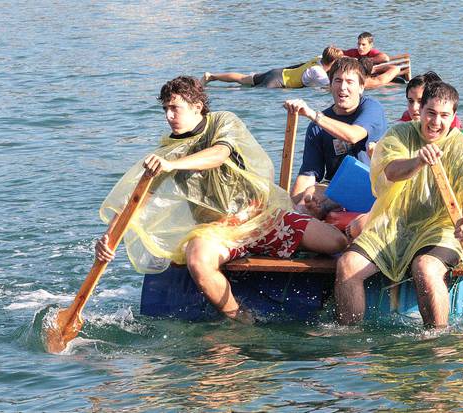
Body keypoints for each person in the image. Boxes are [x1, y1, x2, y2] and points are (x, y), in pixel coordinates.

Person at [95, 76, 347, 323]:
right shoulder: (167, 152)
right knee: (197, 259)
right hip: (218, 230)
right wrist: (109, 239)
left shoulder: (222, 122)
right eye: (165, 109)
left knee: (336, 242)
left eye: (175, 108)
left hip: (259, 216)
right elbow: (136, 200)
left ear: (197, 107)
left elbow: (218, 153)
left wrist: (172, 165)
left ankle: (306, 243)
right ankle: (240, 319)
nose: (169, 116)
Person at [334, 81, 463, 328]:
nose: (436, 122)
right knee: (347, 264)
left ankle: (437, 340)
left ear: (454, 117)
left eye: (444, 116)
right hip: (394, 224)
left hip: (441, 227)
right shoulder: (400, 135)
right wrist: (417, 161)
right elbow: (390, 171)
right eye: (431, 113)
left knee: (425, 266)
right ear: (421, 111)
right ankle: (350, 343)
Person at [282, 57, 387, 219]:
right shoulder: (317, 128)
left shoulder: (371, 108)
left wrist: (312, 114)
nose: (343, 87)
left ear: (361, 87)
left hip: (373, 187)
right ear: (330, 85)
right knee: (307, 196)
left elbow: (353, 135)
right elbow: (308, 175)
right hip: (335, 190)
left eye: (349, 82)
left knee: (314, 195)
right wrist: (291, 208)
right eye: (337, 81)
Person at [201, 46, 343, 88]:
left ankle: (211, 76)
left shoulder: (317, 59)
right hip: (277, 82)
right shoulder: (319, 73)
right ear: (333, 62)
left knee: (243, 79)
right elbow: (331, 88)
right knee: (247, 91)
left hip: (277, 72)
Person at [398, 71, 463, 129]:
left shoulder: (451, 127)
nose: (414, 108)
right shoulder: (406, 119)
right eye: (411, 101)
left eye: (421, 101)